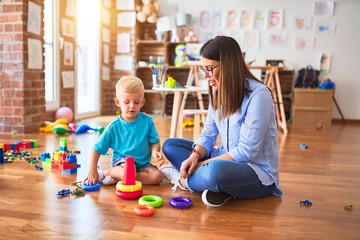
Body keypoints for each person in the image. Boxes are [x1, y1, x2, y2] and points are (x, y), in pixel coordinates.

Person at [160, 36, 282, 207]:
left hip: (255, 172)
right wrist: (195, 156)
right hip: (224, 157)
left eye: (209, 69)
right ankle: (218, 188)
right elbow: (208, 134)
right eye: (204, 70)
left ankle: (184, 181)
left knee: (216, 172)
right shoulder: (218, 92)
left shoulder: (259, 95)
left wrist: (202, 164)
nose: (206, 76)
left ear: (228, 66)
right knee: (171, 145)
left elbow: (247, 152)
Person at [84, 76, 164, 186]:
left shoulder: (147, 121)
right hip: (122, 162)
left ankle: (123, 177)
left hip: (142, 164)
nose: (132, 106)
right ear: (117, 102)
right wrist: (92, 171)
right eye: (126, 102)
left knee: (158, 176)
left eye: (136, 102)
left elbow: (154, 141)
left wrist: (155, 151)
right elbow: (96, 149)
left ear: (142, 102)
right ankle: (107, 172)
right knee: (129, 171)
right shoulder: (113, 127)